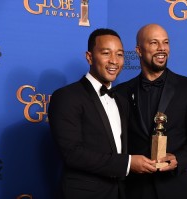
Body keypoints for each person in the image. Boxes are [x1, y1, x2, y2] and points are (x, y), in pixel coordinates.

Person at [48, 28, 155, 199]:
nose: (114, 61)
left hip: (120, 192)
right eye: (106, 53)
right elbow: (72, 153)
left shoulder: (122, 100)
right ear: (89, 57)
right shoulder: (67, 97)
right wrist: (127, 163)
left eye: (119, 54)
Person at [115, 24, 187, 199]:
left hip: (178, 187)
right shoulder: (121, 93)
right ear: (139, 50)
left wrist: (178, 160)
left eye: (165, 42)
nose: (162, 49)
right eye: (154, 43)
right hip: (136, 189)